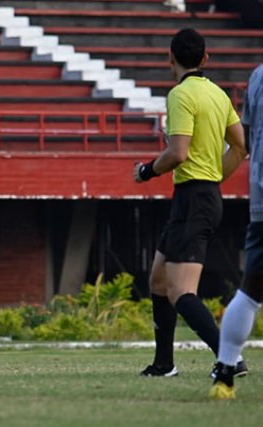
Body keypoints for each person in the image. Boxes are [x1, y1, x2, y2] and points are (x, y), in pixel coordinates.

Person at [133, 28, 247, 377]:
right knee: (158, 280)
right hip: (198, 195)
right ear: (205, 58)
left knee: (181, 292)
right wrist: (214, 178)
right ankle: (164, 364)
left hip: (194, 198)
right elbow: (241, 147)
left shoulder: (181, 95)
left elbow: (177, 153)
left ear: (170, 58)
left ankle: (231, 360)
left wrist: (146, 170)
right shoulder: (217, 94)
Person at [209, 63, 263, 399]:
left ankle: (225, 371)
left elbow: (246, 134)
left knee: (251, 290)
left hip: (261, 195)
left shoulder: (258, 75)